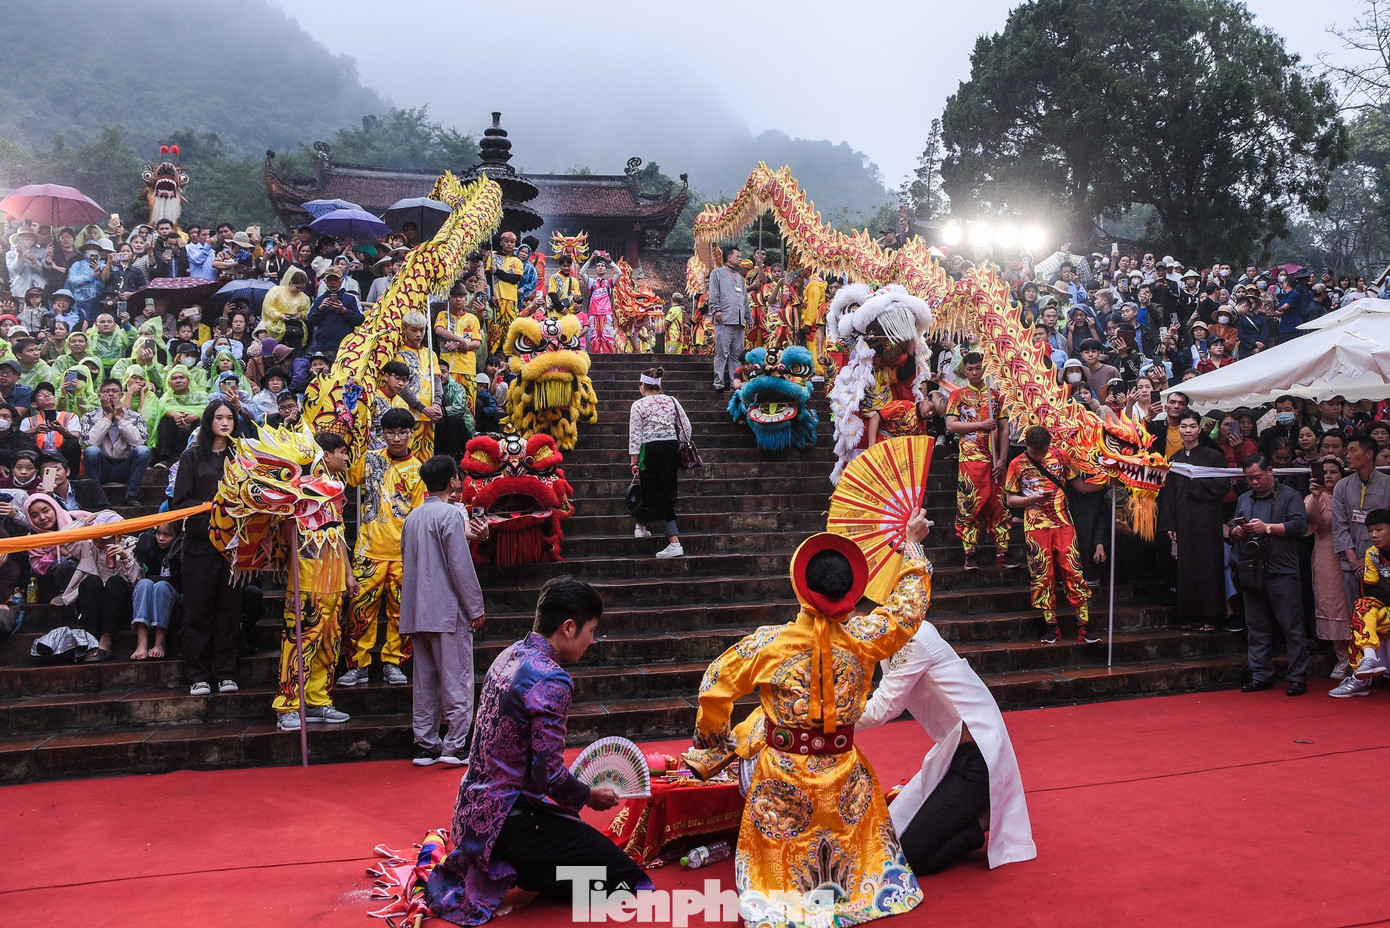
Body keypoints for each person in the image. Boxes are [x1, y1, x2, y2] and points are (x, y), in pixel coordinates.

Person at [683, 517, 931, 926]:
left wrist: (714, 742)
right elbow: (907, 610)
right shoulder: (865, 636)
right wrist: (912, 545)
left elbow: (714, 685)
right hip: (844, 772)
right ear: (849, 591)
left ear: (801, 586)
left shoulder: (768, 643)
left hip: (782, 777)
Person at [424, 577, 648, 925]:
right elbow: (549, 775)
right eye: (591, 631)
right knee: (628, 881)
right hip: (510, 823)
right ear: (569, 627)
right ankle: (527, 873)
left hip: (471, 814)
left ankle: (528, 870)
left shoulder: (509, 655)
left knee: (574, 833)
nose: (592, 641)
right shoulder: (552, 679)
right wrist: (589, 796)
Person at [857, 608, 1036, 874]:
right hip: (951, 757)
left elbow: (883, 708)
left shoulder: (914, 638)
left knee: (913, 855)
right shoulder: (888, 641)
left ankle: (982, 819)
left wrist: (824, 722)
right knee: (887, 836)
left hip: (978, 760)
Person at [400, 455, 488, 766]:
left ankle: (425, 744)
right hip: (446, 610)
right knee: (456, 678)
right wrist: (475, 606)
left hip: (417, 610)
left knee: (424, 682)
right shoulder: (450, 515)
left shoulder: (412, 517)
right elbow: (459, 566)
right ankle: (455, 744)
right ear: (452, 481)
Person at [274, 432, 356, 732]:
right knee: (299, 642)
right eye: (341, 452)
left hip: (334, 579)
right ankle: (288, 705)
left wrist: (348, 573)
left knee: (329, 643)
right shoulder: (299, 490)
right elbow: (285, 533)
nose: (345, 458)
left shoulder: (335, 490)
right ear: (326, 454)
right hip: (307, 579)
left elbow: (338, 535)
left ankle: (318, 700)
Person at [340, 407, 425, 689]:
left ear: (412, 434)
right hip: (368, 550)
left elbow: (420, 515)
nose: (397, 438)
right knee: (360, 610)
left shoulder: (419, 470)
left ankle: (394, 662)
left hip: (403, 554)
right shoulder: (371, 459)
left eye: (402, 432)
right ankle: (357, 664)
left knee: (401, 611)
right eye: (391, 432)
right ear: (383, 434)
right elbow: (347, 478)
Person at [173, 399, 245, 696]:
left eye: (230, 417)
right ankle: (198, 675)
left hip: (234, 548)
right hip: (199, 546)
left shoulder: (242, 457)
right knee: (198, 611)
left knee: (229, 612)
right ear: (208, 421)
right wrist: (212, 508)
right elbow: (179, 503)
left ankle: (226, 673)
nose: (225, 422)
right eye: (219, 417)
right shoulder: (191, 457)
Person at [1003, 426, 1100, 644]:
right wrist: (1031, 500)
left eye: (1042, 451)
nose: (1039, 456)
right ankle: (1051, 626)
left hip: (1063, 522)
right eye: (1034, 452)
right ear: (1026, 445)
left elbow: (1080, 486)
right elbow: (1010, 500)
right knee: (1042, 574)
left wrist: (1107, 483)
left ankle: (1084, 625)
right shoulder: (1016, 464)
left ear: (1049, 445)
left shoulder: (1061, 456)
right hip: (1035, 525)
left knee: (1073, 570)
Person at [1230, 455, 1309, 695]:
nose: (1254, 482)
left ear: (1270, 470)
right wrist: (1237, 532)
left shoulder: (1289, 495)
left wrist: (1266, 528)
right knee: (1256, 626)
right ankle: (1260, 675)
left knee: (1292, 626)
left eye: (1258, 476)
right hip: (1252, 569)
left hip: (1282, 570)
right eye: (1249, 478)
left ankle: (1297, 678)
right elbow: (1232, 527)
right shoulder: (1244, 498)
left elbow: (1300, 526)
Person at [1158, 410, 1230, 631]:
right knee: (1186, 567)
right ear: (1178, 429)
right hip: (1184, 519)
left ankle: (1212, 616)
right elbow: (1169, 494)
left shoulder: (1213, 456)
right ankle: (1189, 615)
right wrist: (1170, 523)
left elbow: (1222, 486)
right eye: (1184, 426)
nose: (1187, 430)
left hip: (1207, 518)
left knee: (1209, 565)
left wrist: (1195, 482)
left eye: (1192, 426)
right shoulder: (1175, 459)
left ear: (1199, 429)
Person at [946, 352, 1013, 572]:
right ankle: (970, 553)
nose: (974, 373)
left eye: (978, 368)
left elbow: (1004, 429)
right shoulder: (957, 395)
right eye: (970, 369)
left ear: (984, 369)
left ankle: (1002, 553)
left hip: (994, 461)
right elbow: (951, 426)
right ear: (965, 371)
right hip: (970, 459)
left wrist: (1003, 459)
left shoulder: (997, 395)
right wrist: (980, 425)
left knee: (998, 505)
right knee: (969, 505)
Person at [627, 367, 691, 558]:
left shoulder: (638, 405)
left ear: (643, 385)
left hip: (650, 450)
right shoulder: (672, 401)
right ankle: (640, 525)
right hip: (671, 449)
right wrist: (680, 443)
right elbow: (686, 427)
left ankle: (674, 541)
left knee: (658, 493)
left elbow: (635, 435)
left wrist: (634, 461)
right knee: (657, 490)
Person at [1330, 509, 1390, 697]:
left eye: (1379, 529)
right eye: (1370, 530)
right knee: (1362, 610)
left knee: (1364, 615)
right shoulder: (1372, 554)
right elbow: (1371, 591)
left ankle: (1360, 678)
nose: (1374, 535)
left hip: (1385, 605)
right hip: (1386, 609)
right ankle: (1367, 665)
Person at [80, 378, 152, 507]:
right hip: (102, 467)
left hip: (125, 466)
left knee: (143, 451)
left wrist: (119, 418)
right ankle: (96, 496)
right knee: (91, 451)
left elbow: (138, 442)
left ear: (122, 395)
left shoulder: (135, 416)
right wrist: (108, 416)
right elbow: (92, 442)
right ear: (99, 396)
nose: (111, 394)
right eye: (106, 392)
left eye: (114, 391)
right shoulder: (89, 416)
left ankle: (131, 495)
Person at [131, 521, 183, 661]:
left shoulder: (179, 551)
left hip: (169, 595)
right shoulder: (151, 547)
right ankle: (141, 642)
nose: (161, 538)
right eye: (159, 533)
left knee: (161, 586)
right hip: (148, 592)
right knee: (144, 583)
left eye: (167, 535)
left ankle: (159, 642)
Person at [708, 247, 750, 392]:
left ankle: (735, 383)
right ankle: (718, 382)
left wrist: (748, 317)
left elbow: (745, 300)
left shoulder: (740, 277)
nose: (740, 259)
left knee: (737, 355)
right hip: (724, 318)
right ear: (729, 258)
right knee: (722, 352)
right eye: (738, 256)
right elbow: (713, 293)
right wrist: (716, 310)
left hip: (739, 320)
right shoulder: (717, 273)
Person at [20, 382, 81, 474]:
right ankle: (34, 474)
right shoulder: (28, 421)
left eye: (49, 394)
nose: (47, 395)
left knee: (72, 444)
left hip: (64, 457)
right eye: (41, 395)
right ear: (34, 404)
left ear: (55, 400)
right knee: (24, 443)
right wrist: (34, 430)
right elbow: (18, 438)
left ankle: (71, 476)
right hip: (39, 457)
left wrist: (62, 430)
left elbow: (75, 437)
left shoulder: (70, 417)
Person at [306, 266, 364, 357]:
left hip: (345, 346)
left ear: (342, 280)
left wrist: (344, 311)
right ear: (325, 281)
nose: (333, 282)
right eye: (330, 280)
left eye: (336, 279)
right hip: (324, 346)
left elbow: (360, 320)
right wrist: (320, 309)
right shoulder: (319, 300)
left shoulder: (351, 298)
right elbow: (309, 321)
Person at [37, 452, 108, 512]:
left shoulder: (88, 486)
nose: (54, 474)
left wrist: (77, 514)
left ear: (67, 472)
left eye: (57, 470)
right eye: (47, 472)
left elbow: (106, 510)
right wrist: (47, 499)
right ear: (41, 477)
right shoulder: (43, 497)